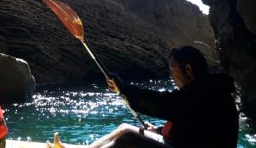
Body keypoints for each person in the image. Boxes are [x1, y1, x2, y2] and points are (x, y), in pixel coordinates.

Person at [47, 46, 238, 148]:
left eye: (173, 69)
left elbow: (162, 104)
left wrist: (123, 89)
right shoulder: (207, 90)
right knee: (124, 127)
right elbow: (191, 125)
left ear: (188, 69)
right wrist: (158, 130)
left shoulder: (204, 93)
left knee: (128, 138)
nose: (171, 76)